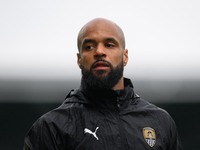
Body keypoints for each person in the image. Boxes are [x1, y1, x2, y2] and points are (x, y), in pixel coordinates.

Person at [23, 18, 183, 150]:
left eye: (109, 45)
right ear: (79, 59)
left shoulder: (160, 122)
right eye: (89, 46)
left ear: (125, 56)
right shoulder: (52, 127)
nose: (99, 51)